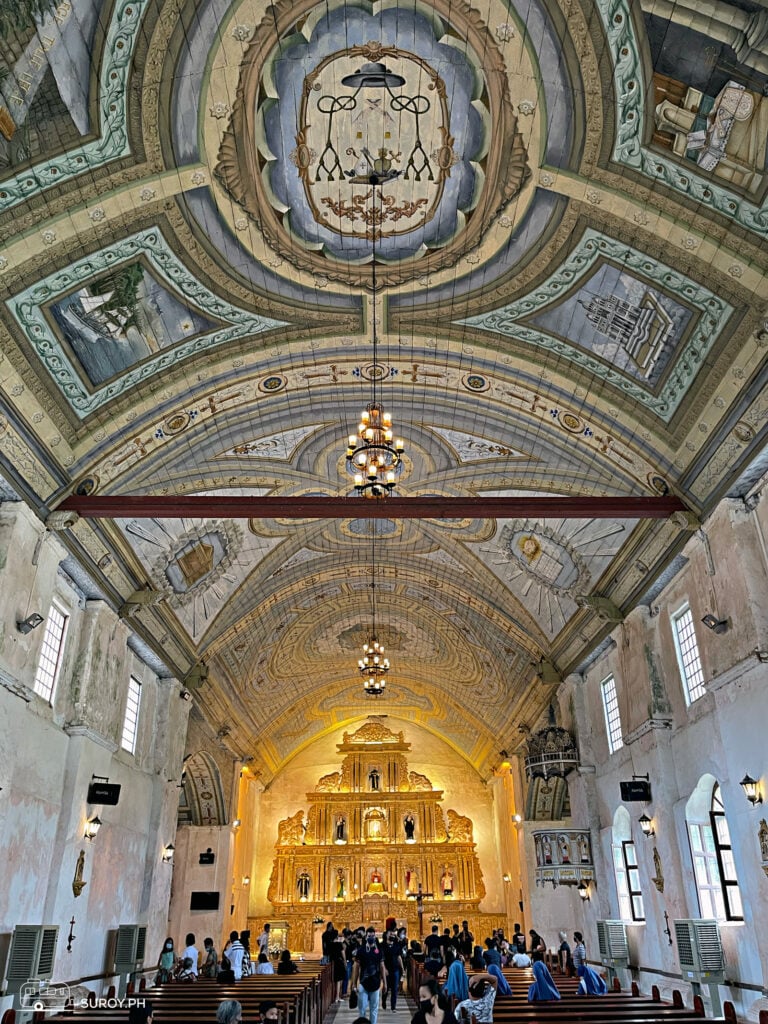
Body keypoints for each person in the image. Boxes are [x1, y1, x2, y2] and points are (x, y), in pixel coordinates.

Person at [353, 927, 385, 1024]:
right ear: (366, 937)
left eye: (372, 935)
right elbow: (356, 967)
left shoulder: (379, 951)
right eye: (369, 936)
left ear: (375, 936)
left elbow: (382, 967)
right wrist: (354, 983)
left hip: (375, 984)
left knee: (374, 1010)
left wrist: (385, 983)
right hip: (363, 983)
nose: (371, 937)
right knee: (362, 1009)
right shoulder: (361, 950)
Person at [382, 930, 404, 1011]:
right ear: (387, 936)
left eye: (393, 934)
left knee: (395, 988)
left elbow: (399, 957)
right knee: (386, 988)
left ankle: (393, 1007)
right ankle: (384, 1000)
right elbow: (382, 960)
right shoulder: (383, 946)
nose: (392, 936)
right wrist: (384, 969)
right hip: (386, 970)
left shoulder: (396, 945)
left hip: (395, 969)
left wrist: (402, 968)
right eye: (390, 934)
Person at [332, 935, 347, 1002]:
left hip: (333, 963)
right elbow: (343, 954)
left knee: (336, 980)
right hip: (339, 963)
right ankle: (337, 997)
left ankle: (336, 996)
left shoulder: (331, 945)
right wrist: (345, 963)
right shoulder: (339, 944)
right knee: (339, 980)